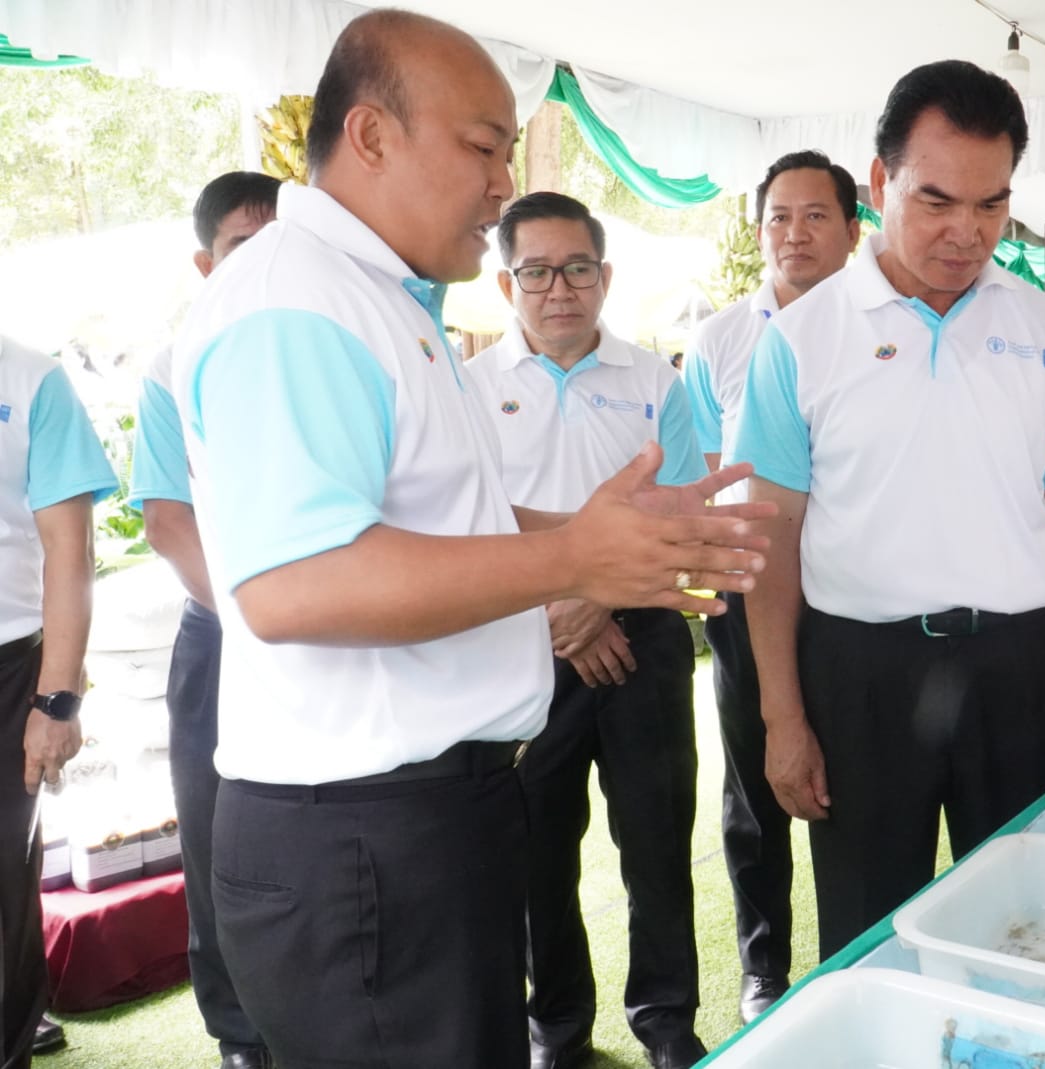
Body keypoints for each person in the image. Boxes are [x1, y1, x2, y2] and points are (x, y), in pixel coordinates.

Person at [167, 11, 772, 1067]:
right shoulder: (295, 306)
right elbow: (296, 585)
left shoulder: (379, 299)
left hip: (425, 817)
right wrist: (572, 559)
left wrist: (604, 529)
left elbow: (439, 518)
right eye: (484, 148)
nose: (502, 187)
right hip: (363, 837)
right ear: (371, 136)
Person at [731, 60, 1045, 959]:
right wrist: (784, 717)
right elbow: (772, 539)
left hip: (1019, 667)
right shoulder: (801, 340)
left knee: (1027, 921)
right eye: (936, 200)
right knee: (868, 931)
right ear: (881, 183)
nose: (967, 232)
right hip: (862, 674)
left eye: (992, 204)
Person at [465, 192, 709, 1069]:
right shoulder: (468, 389)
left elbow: (685, 517)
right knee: (537, 848)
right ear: (506, 284)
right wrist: (561, 609)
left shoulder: (655, 381)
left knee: (656, 838)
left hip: (643, 633)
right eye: (536, 271)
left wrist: (596, 598)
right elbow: (465, 526)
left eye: (576, 269)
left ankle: (667, 1020)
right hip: (525, 642)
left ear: (604, 276)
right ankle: (557, 1025)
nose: (558, 288)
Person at [682, 149, 859, 1021]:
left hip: (850, 600)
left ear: (852, 229)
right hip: (749, 595)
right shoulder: (718, 341)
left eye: (815, 215)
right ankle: (764, 965)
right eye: (778, 217)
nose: (795, 233)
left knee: (852, 782)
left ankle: (852, 957)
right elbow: (705, 476)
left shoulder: (874, 329)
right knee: (756, 785)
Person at [128, 169, 280, 1069]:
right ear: (204, 262)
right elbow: (167, 521)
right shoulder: (170, 365)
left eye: (279, 243)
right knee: (216, 835)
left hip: (337, 632)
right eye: (241, 247)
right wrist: (262, 622)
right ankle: (240, 1034)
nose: (264, 262)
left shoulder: (329, 337)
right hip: (227, 637)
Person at [0, 334, 117, 1067]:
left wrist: (58, 700)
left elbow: (70, 549)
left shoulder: (32, 382)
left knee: (4, 883)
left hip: (9, 665)